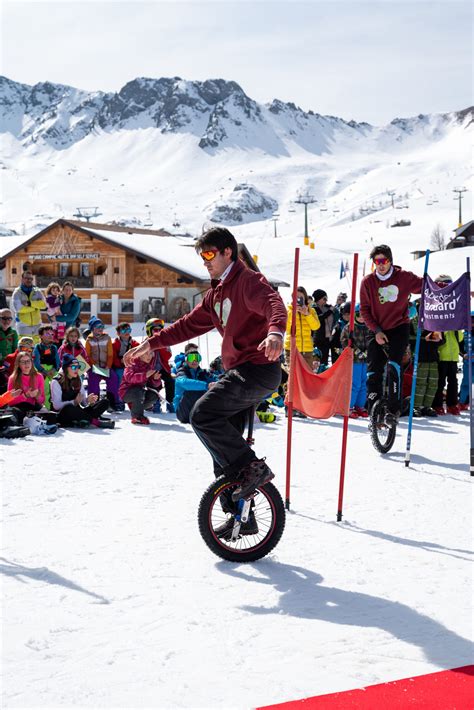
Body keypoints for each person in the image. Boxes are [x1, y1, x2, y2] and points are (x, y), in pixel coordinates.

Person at [124, 226, 286, 535]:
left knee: (202, 414)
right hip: (240, 372)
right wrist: (151, 343)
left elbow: (274, 305)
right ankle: (242, 517)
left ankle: (255, 469)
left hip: (257, 369)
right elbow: (187, 326)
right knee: (223, 455)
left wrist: (275, 331)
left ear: (229, 253)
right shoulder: (216, 293)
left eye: (210, 254)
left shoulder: (249, 282)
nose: (205, 261)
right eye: (202, 256)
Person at [359, 244, 423, 423]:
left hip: (398, 327)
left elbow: (427, 286)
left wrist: (453, 288)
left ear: (390, 261)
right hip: (376, 328)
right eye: (377, 261)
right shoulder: (367, 282)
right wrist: (377, 331)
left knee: (394, 366)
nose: (380, 265)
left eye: (384, 261)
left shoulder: (403, 277)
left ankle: (392, 411)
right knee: (374, 371)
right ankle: (373, 409)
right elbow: (364, 310)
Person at [50, 354, 114, 428]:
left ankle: (82, 420)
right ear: (65, 368)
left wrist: (88, 400)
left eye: (78, 367)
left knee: (105, 402)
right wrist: (74, 402)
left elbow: (83, 403)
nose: (77, 370)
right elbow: (56, 406)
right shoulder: (56, 381)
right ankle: (96, 422)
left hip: (78, 412)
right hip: (64, 414)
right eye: (74, 367)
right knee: (69, 408)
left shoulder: (78, 379)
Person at [173, 345, 216, 423]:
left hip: (196, 412)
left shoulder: (203, 372)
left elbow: (215, 378)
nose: (195, 361)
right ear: (186, 360)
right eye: (191, 358)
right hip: (183, 413)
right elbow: (185, 382)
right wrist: (206, 385)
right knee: (193, 390)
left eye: (197, 358)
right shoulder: (181, 372)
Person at [119, 348, 162, 425]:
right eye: (146, 354)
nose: (149, 356)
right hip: (126, 392)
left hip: (139, 393)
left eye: (151, 354)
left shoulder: (149, 366)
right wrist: (145, 375)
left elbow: (152, 384)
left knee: (154, 395)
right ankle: (137, 417)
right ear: (140, 354)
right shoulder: (131, 363)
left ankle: (136, 407)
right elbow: (129, 378)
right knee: (138, 391)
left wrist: (155, 379)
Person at [85, 316, 120, 410]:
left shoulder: (107, 338)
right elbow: (88, 355)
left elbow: (110, 354)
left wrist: (108, 366)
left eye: (102, 327)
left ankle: (112, 402)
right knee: (93, 381)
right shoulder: (89, 340)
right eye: (97, 327)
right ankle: (94, 402)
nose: (100, 329)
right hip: (94, 366)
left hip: (105, 366)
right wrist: (94, 365)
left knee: (113, 378)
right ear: (92, 329)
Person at [341, 304, 370, 418]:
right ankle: (350, 406)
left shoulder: (369, 327)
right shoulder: (349, 327)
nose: (361, 317)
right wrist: (356, 351)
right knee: (355, 383)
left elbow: (371, 340)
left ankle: (360, 406)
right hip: (355, 360)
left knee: (364, 383)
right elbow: (344, 341)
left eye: (364, 315)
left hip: (366, 360)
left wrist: (368, 352)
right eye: (358, 314)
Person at [284, 286, 320, 369]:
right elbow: (286, 328)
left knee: (306, 377)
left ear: (305, 298)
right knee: (293, 377)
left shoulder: (311, 311)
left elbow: (316, 327)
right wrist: (293, 313)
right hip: (291, 348)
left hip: (307, 350)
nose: (298, 299)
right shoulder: (288, 310)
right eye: (295, 297)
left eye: (300, 297)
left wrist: (307, 314)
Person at [144, 318, 175, 413]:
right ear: (149, 331)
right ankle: (155, 402)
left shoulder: (165, 341)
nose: (157, 332)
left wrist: (160, 345)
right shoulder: (146, 342)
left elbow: (168, 355)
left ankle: (170, 402)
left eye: (159, 330)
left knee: (170, 381)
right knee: (154, 383)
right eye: (155, 330)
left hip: (162, 367)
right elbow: (144, 358)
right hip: (150, 369)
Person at [7, 351, 45, 422]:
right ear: (18, 364)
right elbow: (10, 402)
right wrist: (25, 396)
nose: (26, 364)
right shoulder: (13, 378)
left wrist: (37, 396)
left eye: (28, 361)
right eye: (23, 362)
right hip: (19, 409)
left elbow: (42, 400)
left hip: (33, 408)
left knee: (47, 414)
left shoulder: (39, 376)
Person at [11, 270, 46, 340]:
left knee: (37, 348)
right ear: (22, 279)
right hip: (23, 326)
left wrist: (30, 303)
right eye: (27, 278)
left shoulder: (37, 291)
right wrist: (35, 307)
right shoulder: (17, 292)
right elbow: (19, 309)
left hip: (37, 325)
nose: (29, 280)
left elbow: (44, 305)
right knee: (25, 349)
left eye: (31, 278)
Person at [112, 322, 140, 411]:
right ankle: (120, 399)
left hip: (130, 366)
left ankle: (133, 400)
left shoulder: (134, 343)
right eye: (124, 330)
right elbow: (113, 357)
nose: (127, 332)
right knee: (120, 376)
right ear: (118, 333)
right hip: (119, 366)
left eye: (129, 330)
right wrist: (120, 363)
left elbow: (138, 355)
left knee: (134, 379)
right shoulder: (115, 344)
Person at [33, 324, 60, 408]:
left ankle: (56, 406)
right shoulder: (38, 347)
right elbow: (36, 362)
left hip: (52, 370)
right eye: (47, 334)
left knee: (57, 386)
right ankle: (46, 407)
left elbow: (57, 360)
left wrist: (54, 369)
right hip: (42, 370)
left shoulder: (54, 347)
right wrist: (44, 371)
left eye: (52, 334)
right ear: (41, 336)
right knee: (45, 389)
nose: (50, 336)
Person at [311, 289, 334, 365]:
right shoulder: (313, 308)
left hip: (326, 339)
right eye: (324, 299)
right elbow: (319, 318)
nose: (326, 301)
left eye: (326, 299)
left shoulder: (326, 307)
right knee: (316, 362)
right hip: (317, 339)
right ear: (318, 299)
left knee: (324, 362)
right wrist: (329, 311)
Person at [0, 308, 18, 394]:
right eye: (4, 318)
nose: (7, 321)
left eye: (9, 318)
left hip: (9, 366)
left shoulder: (13, 333)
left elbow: (16, 350)